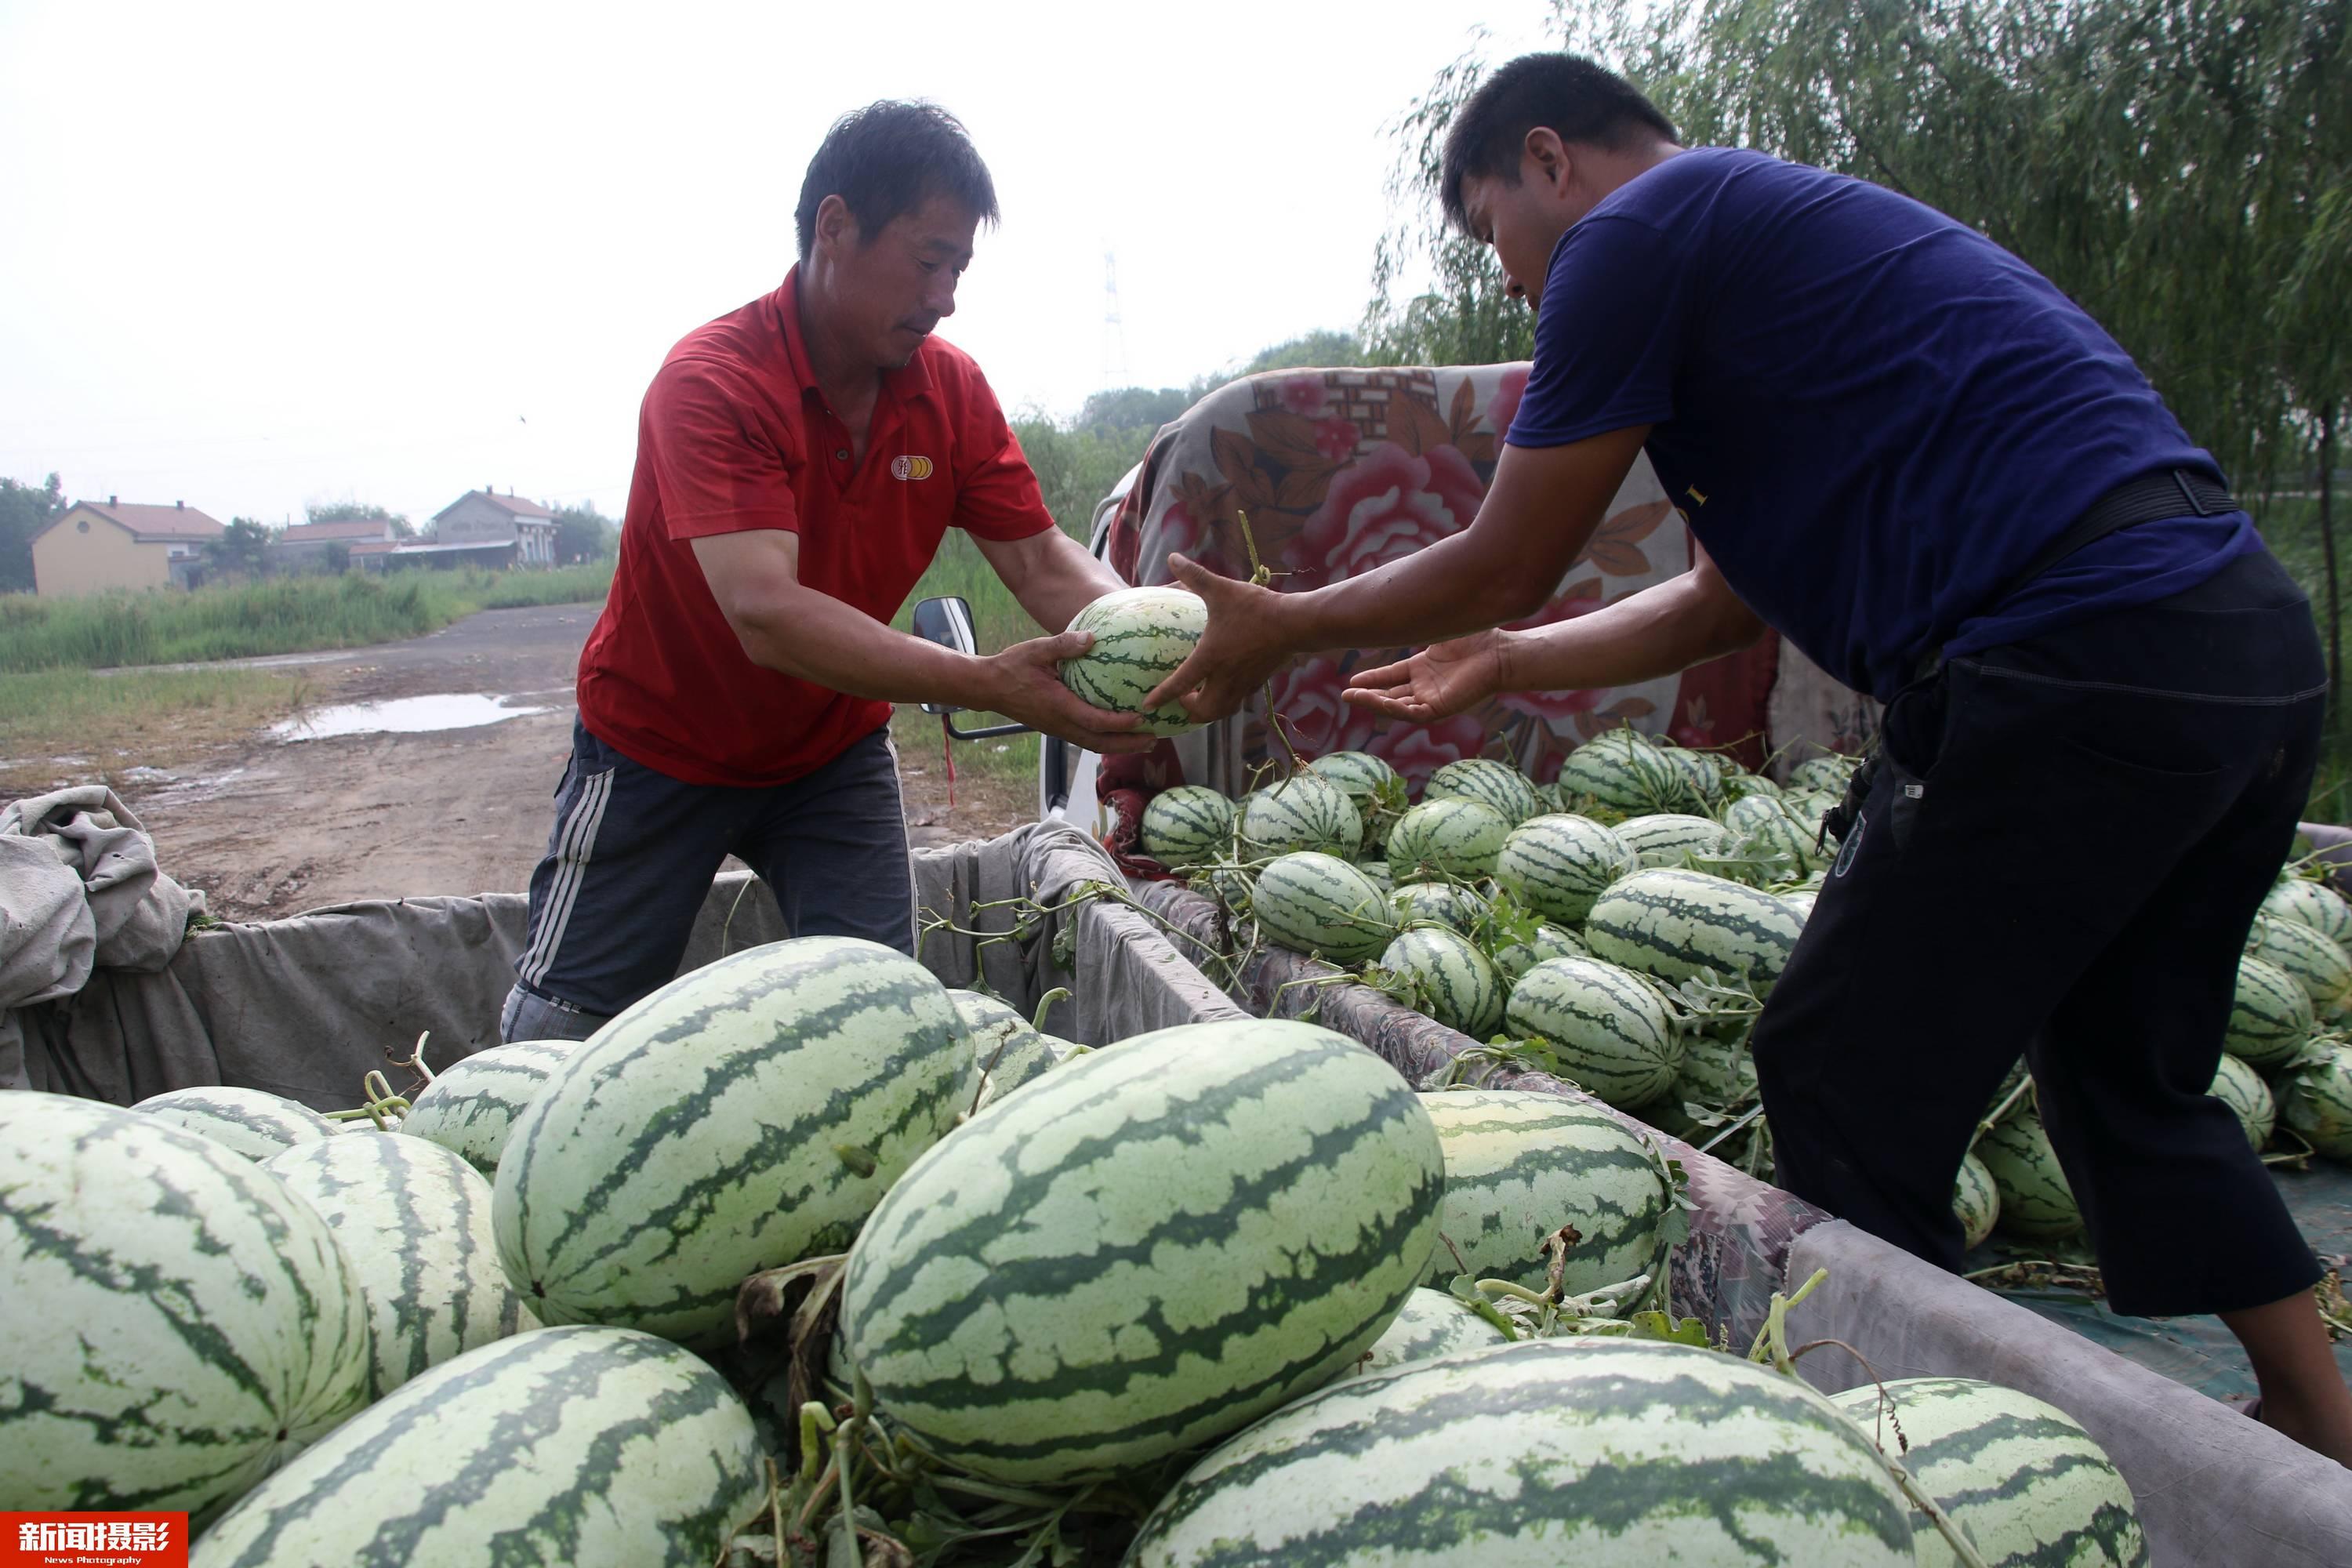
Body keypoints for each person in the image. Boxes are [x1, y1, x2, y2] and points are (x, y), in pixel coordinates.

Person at [1145, 53, 2352, 1465]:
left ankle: (1928, 1465)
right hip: (2237, 653)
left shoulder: (1630, 235)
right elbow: (1724, 599)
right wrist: (1515, 657)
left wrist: (1287, 621)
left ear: (1551, 161)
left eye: (1493, 235)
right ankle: (2316, 1427)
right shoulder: (1761, 252)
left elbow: (1511, 550)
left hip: (2065, 662)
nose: (1514, 283)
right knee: (2126, 1070)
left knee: (1838, 1069)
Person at [499, 101, 1143, 1047]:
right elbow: (768, 613)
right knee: (560, 1027)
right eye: (927, 260)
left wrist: (1150, 630)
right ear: (834, 226)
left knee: (878, 1021)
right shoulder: (714, 383)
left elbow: (1042, 557)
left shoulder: (949, 391)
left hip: (826, 753)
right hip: (658, 746)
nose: (945, 295)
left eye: (959, 268)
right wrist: (979, 681)